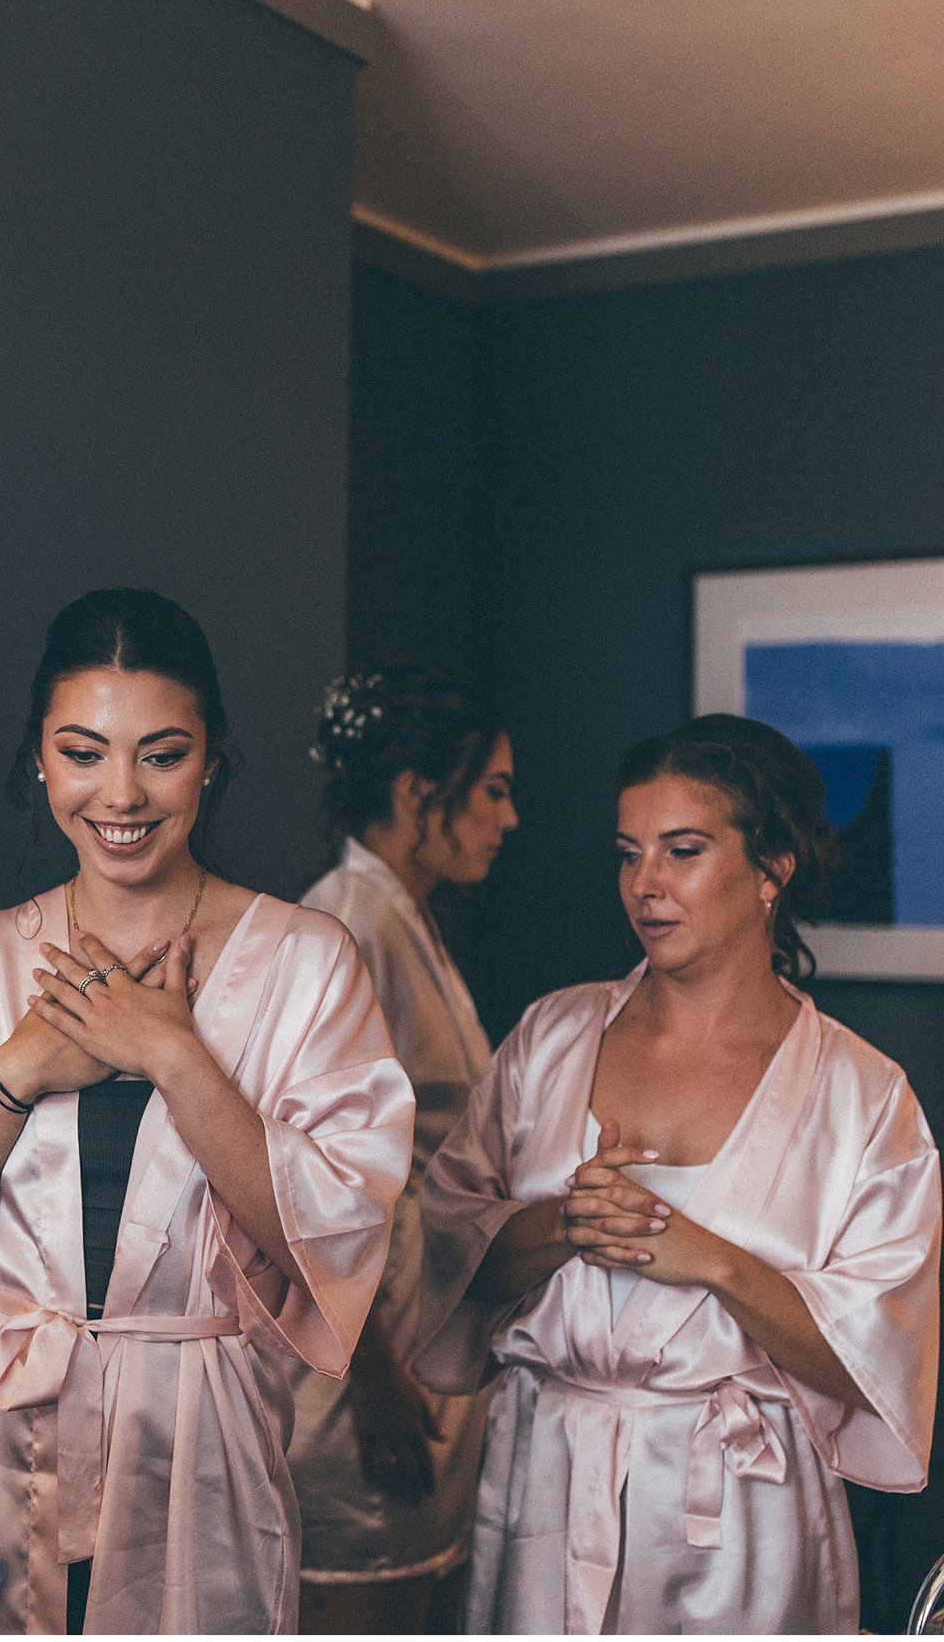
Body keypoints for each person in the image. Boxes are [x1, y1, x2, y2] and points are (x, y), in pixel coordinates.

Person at [0, 589, 416, 1634]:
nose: (120, 792)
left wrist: (171, 1054)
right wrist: (17, 1068)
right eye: (82, 752)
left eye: (161, 753)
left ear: (211, 761)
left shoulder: (305, 962)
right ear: (38, 760)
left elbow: (328, 1241)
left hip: (194, 1433)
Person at [412, 714, 941, 1634]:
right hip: (549, 1477)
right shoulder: (551, 1037)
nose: (645, 885)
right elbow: (446, 1258)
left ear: (772, 866)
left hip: (742, 1513)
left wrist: (712, 1260)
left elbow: (879, 1361)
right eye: (629, 854)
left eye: (682, 851)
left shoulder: (861, 1095)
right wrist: (562, 1225)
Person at [287, 668, 516, 1633]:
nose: (510, 818)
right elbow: (293, 1172)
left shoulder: (401, 914)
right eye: (494, 790)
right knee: (364, 1595)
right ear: (421, 792)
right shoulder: (348, 922)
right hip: (362, 1360)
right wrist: (372, 1377)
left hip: (421, 1325)